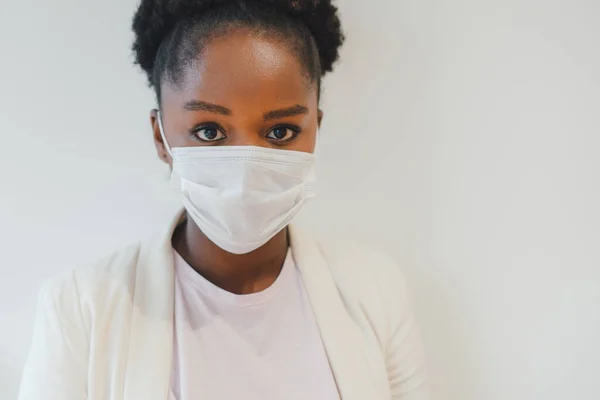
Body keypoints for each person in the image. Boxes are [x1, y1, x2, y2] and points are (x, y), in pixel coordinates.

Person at [18, 0, 429, 399]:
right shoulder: (80, 307)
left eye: (281, 131)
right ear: (161, 137)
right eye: (209, 132)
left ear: (315, 128)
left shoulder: (375, 290)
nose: (245, 167)